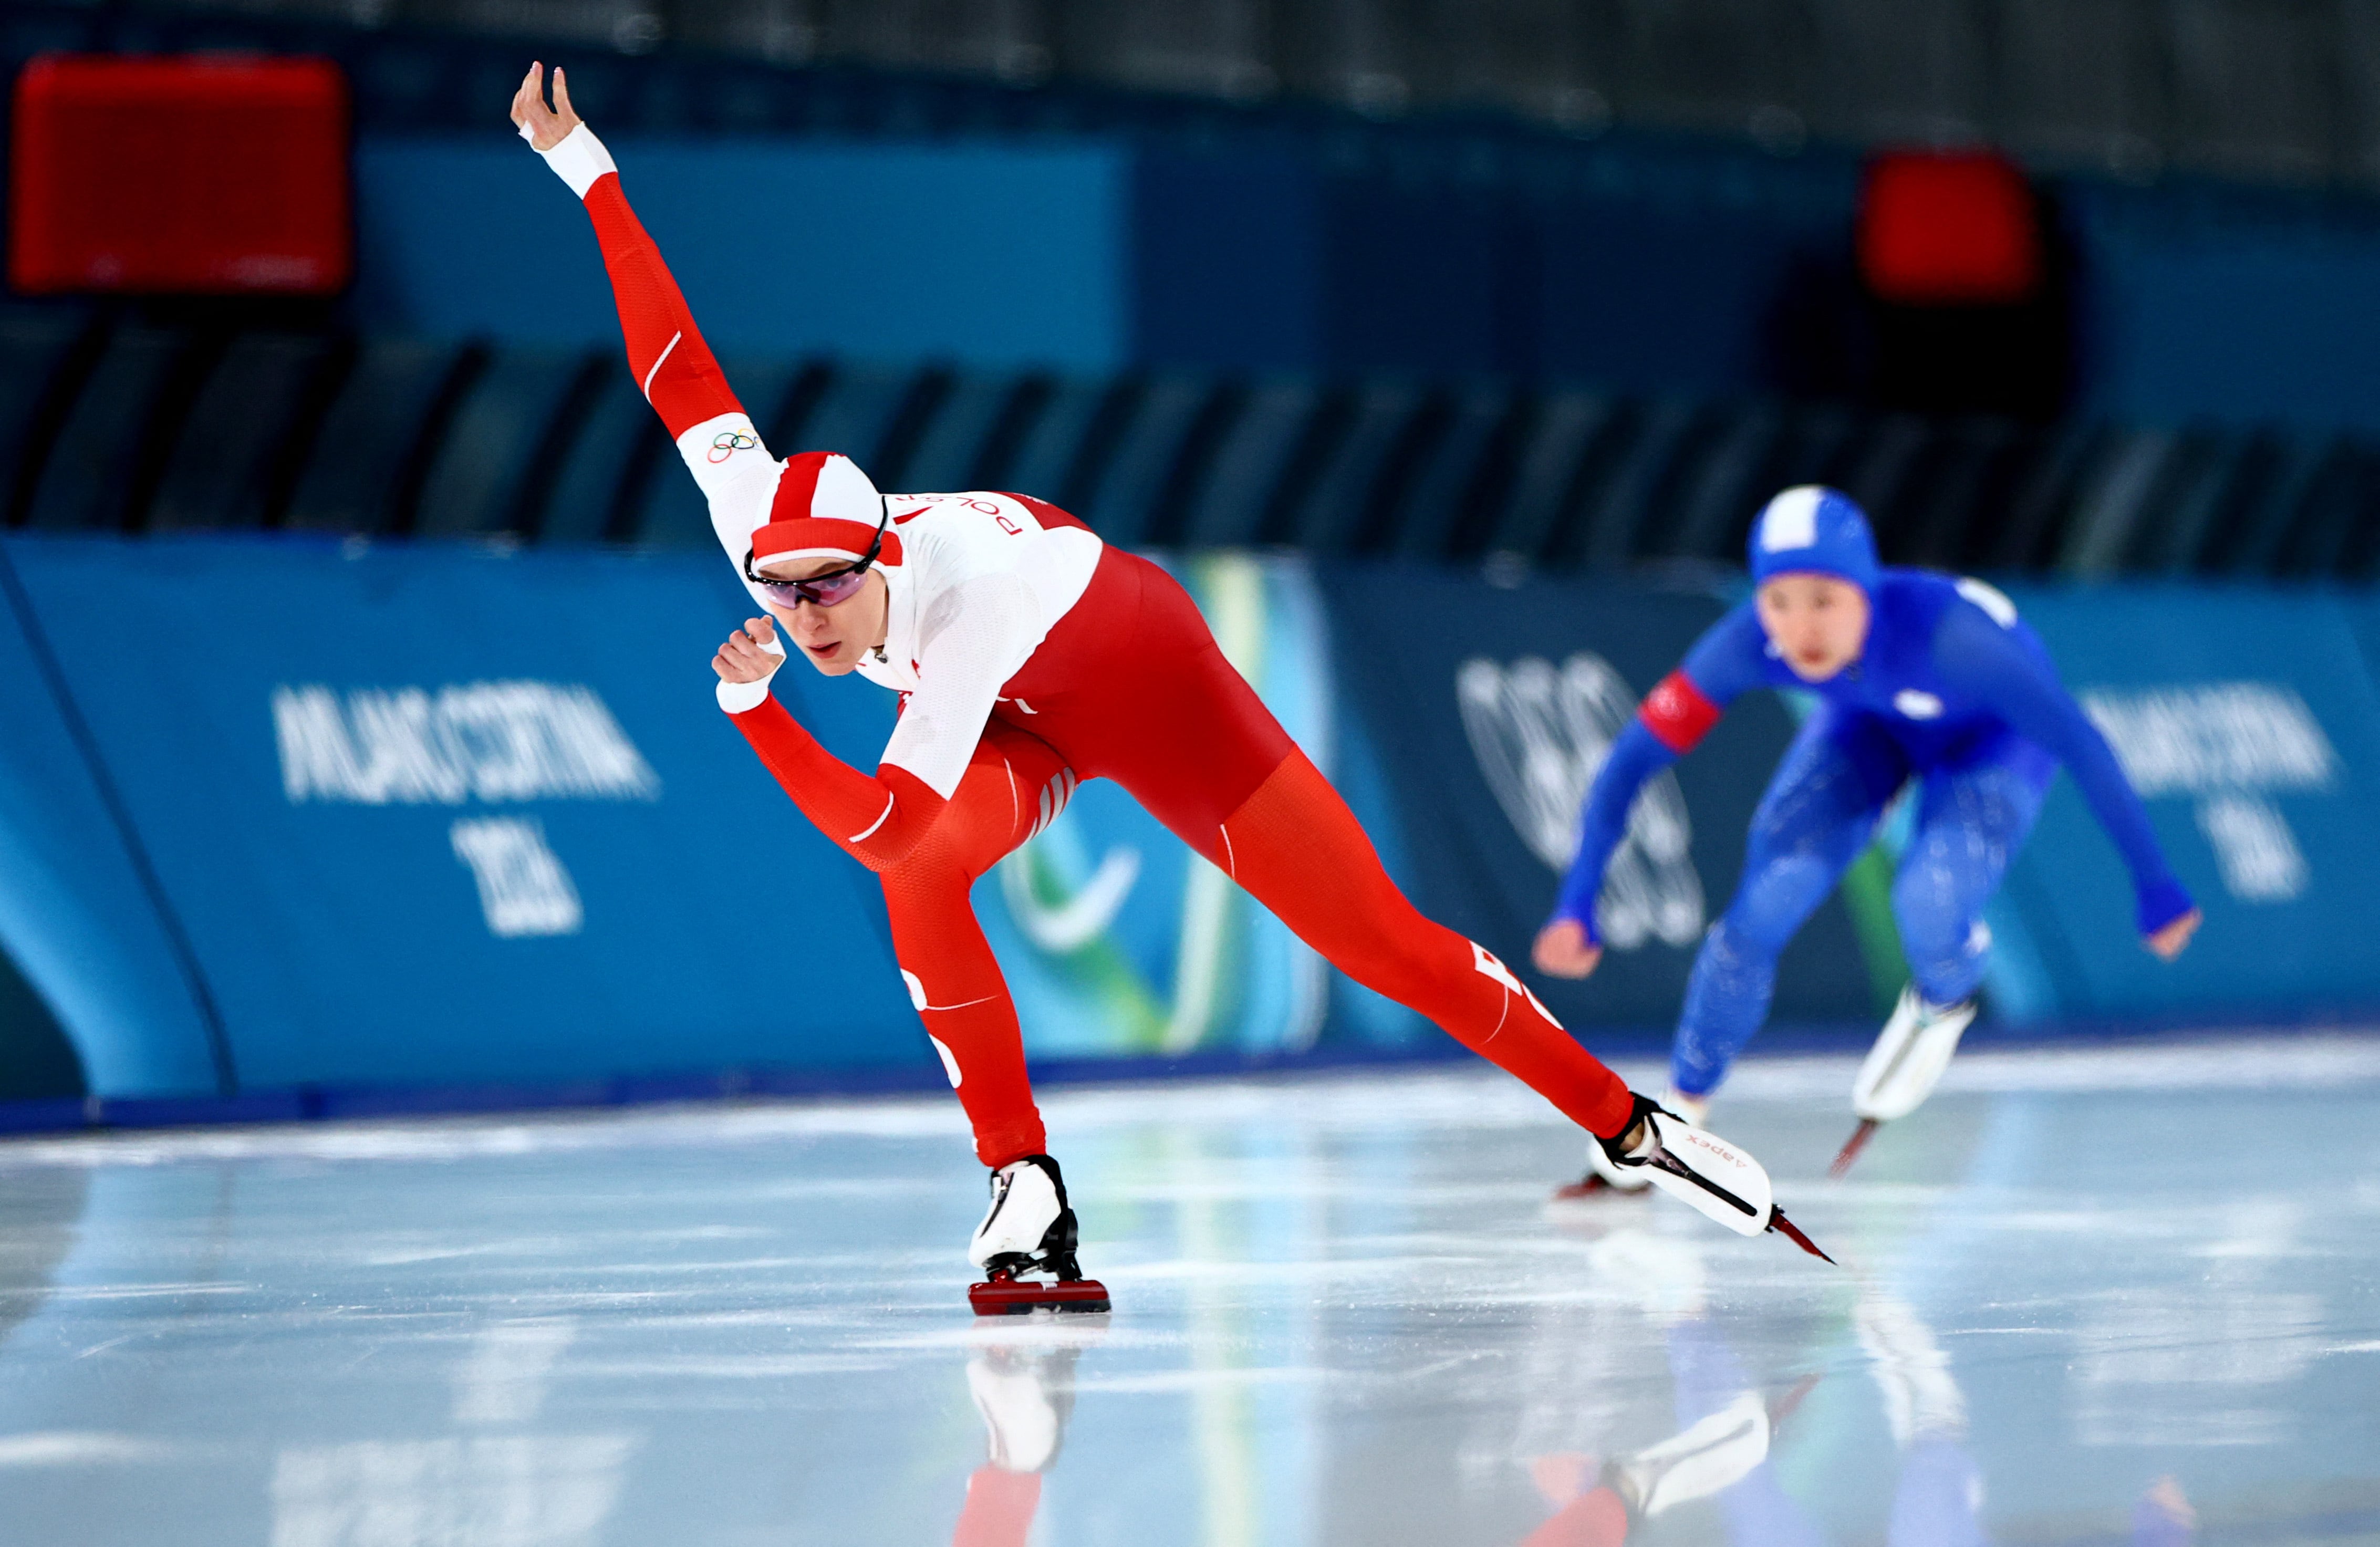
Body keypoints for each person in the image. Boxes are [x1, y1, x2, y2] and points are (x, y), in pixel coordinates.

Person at [507, 65, 1814, 1307]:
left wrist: (755, 714)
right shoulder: (767, 532)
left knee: (1372, 942)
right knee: (923, 889)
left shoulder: (961, 598)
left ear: (882, 554)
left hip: (1139, 671)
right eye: (780, 597)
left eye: (829, 593)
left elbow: (887, 817)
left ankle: (1628, 1125)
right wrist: (588, 168)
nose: (805, 621)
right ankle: (1022, 1184)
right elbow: (674, 368)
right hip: (1018, 715)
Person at [1533, 485, 2200, 1187]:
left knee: (1930, 904)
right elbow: (1628, 765)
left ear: (1867, 593)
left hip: (1990, 744)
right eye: (1780, 601)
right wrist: (1577, 900)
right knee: (1758, 912)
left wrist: (2155, 885)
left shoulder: (1956, 642)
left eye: (1825, 599)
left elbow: (2082, 742)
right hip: (1865, 726)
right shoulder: (1747, 642)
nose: (1801, 629)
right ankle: (1678, 1113)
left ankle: (1949, 986)